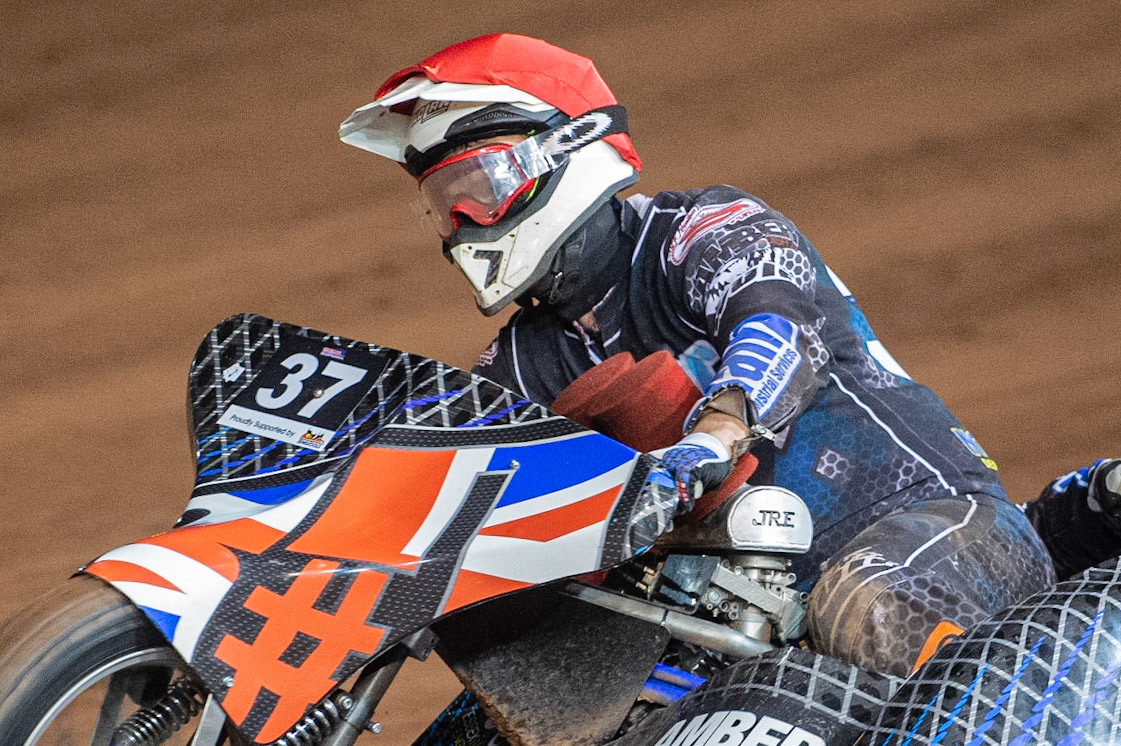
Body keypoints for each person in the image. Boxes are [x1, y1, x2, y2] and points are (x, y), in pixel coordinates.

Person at [339, 33, 1117, 677]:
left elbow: (777, 329)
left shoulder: (702, 230)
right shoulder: (517, 364)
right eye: (444, 204)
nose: (464, 222)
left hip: (936, 533)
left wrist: (709, 439)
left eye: (484, 185)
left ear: (566, 152)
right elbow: (444, 485)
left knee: (866, 607)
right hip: (730, 634)